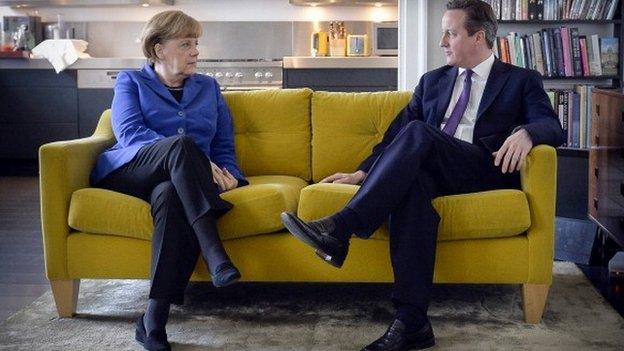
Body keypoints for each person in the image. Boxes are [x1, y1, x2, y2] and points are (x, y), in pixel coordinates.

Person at [280, 1, 565, 350]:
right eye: (443, 32)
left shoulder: (520, 80)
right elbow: (394, 138)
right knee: (411, 191)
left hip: (481, 168)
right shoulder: (432, 82)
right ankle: (411, 322)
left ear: (478, 37)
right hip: (434, 169)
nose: (442, 41)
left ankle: (342, 227)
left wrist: (528, 133)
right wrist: (361, 172)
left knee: (419, 131)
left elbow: (552, 124)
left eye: (451, 33)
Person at [90, 10, 248, 351]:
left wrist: (231, 175)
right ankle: (213, 251)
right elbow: (130, 133)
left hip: (179, 181)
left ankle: (153, 321)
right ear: (159, 50)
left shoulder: (208, 87)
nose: (195, 52)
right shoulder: (130, 81)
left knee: (171, 195)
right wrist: (197, 160)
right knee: (181, 145)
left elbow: (223, 143)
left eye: (196, 44)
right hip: (133, 169)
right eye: (186, 44)